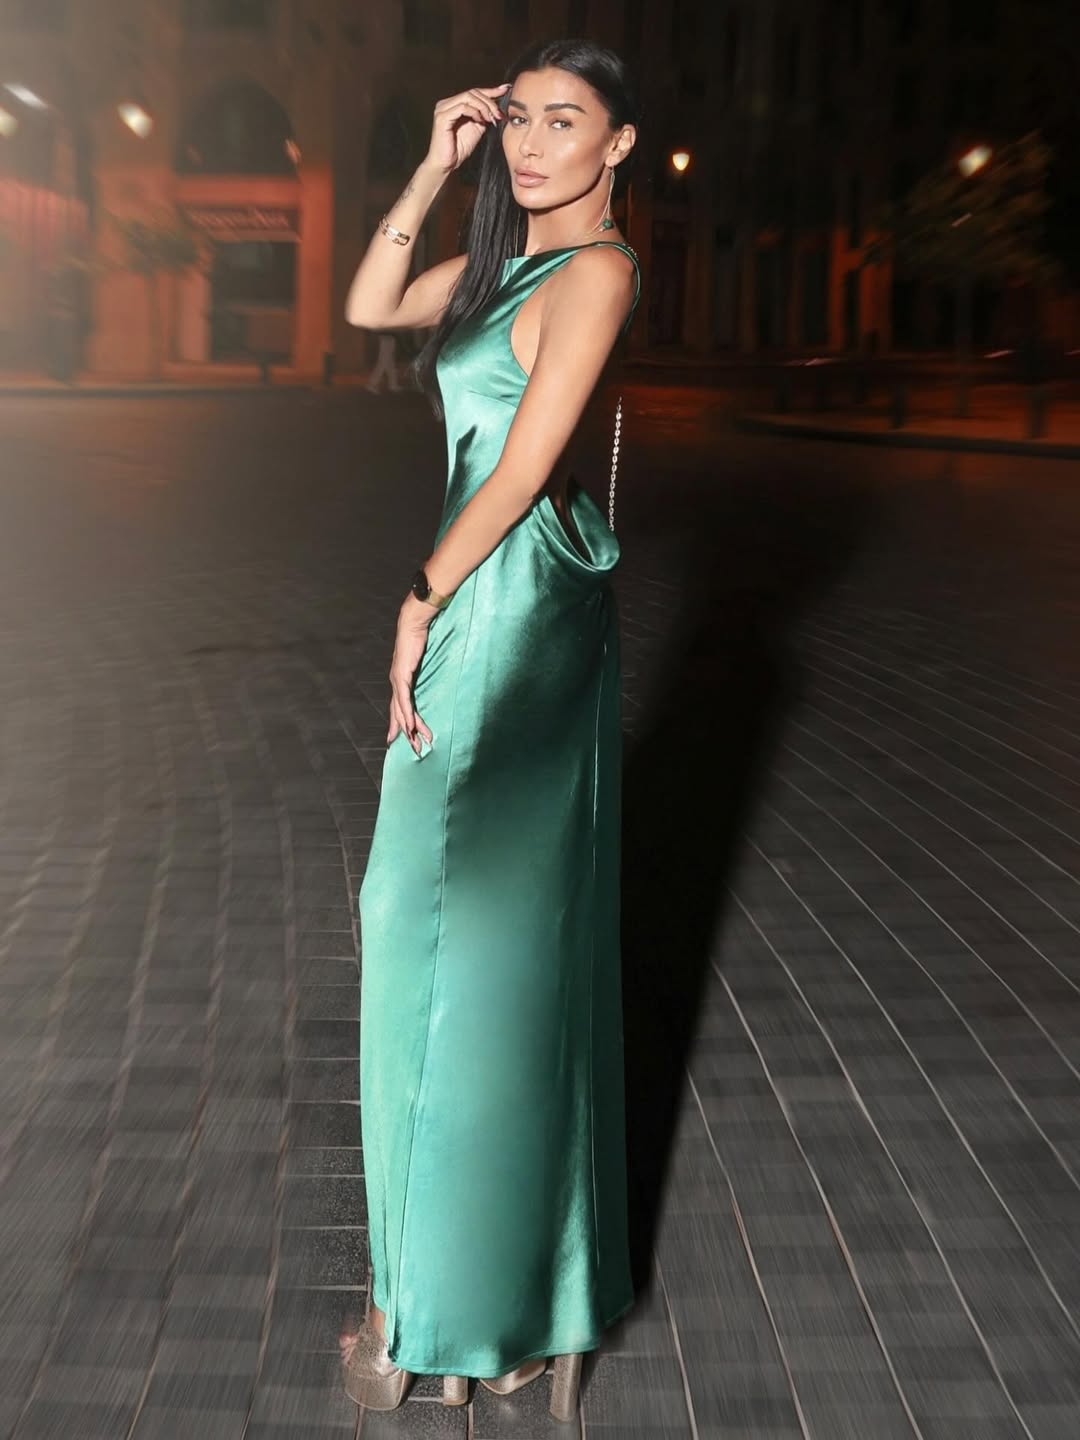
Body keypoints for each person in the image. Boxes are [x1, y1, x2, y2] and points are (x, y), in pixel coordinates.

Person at [340, 37, 641, 1425]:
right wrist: (430, 164)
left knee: (450, 932)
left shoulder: (599, 273)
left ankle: (467, 1310)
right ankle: (486, 1298)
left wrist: (419, 600)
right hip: (485, 589)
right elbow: (370, 301)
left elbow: (523, 466)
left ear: (618, 145)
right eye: (517, 117)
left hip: (506, 613)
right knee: (447, 936)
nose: (528, 142)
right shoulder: (503, 263)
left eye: (563, 121)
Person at [365, 329, 402, 393]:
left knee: (390, 363)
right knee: (383, 362)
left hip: (389, 337)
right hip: (386, 337)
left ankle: (393, 384)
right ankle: (372, 384)